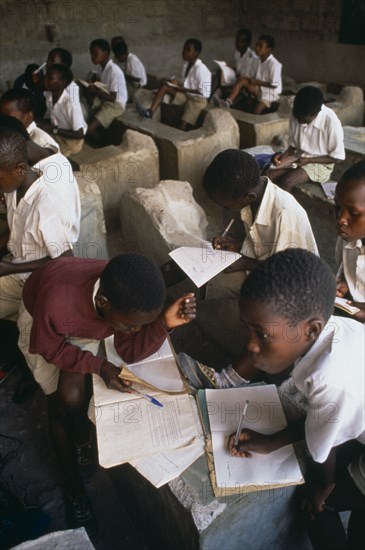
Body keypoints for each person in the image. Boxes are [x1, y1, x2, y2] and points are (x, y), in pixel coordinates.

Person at [16, 253, 197, 532]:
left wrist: (163, 324)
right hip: (42, 327)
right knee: (61, 404)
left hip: (84, 324)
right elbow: (47, 347)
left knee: (74, 397)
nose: (135, 331)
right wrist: (98, 365)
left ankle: (81, 436)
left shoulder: (121, 299)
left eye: (140, 326)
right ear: (103, 302)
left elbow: (128, 350)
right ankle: (74, 488)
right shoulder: (57, 302)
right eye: (131, 326)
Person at [226, 249, 365, 550]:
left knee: (317, 508)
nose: (250, 345)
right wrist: (271, 442)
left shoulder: (329, 378)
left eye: (262, 335)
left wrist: (322, 487)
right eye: (247, 328)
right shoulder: (337, 330)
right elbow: (324, 417)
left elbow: (322, 453)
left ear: (311, 329)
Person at [0, 126, 80, 323]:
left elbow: (65, 261)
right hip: (16, 267)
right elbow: (16, 230)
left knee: (31, 342)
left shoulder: (47, 204)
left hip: (38, 280)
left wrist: (11, 268)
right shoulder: (12, 188)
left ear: (20, 169)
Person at [265, 86, 345, 192]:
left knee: (288, 180)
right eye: (298, 119)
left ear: (316, 114)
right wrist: (283, 156)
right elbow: (294, 145)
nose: (300, 123)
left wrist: (309, 160)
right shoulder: (296, 113)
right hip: (299, 157)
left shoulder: (331, 123)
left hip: (321, 164)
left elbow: (337, 158)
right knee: (268, 175)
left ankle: (282, 208)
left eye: (305, 121)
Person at [137, 38, 211, 131]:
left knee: (182, 126)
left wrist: (183, 88)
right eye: (184, 49)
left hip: (197, 101)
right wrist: (174, 82)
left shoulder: (202, 69)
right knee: (165, 86)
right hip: (187, 96)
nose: (184, 52)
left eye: (188, 50)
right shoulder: (186, 65)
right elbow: (186, 83)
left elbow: (205, 92)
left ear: (195, 53)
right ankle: (150, 112)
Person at [215, 34, 282, 114]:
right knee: (242, 81)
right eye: (257, 45)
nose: (256, 48)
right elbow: (254, 77)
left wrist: (256, 82)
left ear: (268, 49)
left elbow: (275, 84)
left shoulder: (274, 64)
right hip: (258, 89)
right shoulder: (258, 60)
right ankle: (228, 101)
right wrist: (247, 78)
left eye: (260, 46)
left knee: (257, 110)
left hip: (270, 93)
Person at [334, 160, 365, 323]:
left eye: (352, 212)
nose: (340, 219)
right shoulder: (347, 236)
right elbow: (347, 268)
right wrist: (345, 284)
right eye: (337, 207)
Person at [85, 38, 127, 145]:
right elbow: (104, 87)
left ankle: (102, 145)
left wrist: (95, 91)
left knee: (89, 130)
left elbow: (114, 98)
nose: (92, 57)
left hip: (116, 104)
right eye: (91, 54)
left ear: (106, 53)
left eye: (95, 54)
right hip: (106, 100)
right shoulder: (102, 69)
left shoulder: (114, 71)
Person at [43, 64, 87, 156]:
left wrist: (54, 129)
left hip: (72, 142)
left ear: (62, 83)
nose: (45, 80)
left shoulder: (70, 103)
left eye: (50, 78)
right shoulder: (49, 96)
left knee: (50, 156)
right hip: (60, 134)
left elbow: (79, 134)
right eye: (45, 77)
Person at [0, 88, 59, 154]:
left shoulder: (42, 143)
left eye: (7, 116)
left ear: (28, 117)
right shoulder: (8, 133)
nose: (2, 119)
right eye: (0, 114)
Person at [210, 28, 257, 101]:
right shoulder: (237, 53)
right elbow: (239, 70)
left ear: (248, 43)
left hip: (246, 81)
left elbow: (251, 76)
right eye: (237, 40)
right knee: (221, 71)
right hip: (238, 77)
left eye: (242, 41)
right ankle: (209, 95)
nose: (238, 44)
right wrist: (229, 68)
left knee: (236, 84)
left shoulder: (252, 57)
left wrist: (241, 76)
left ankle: (221, 97)